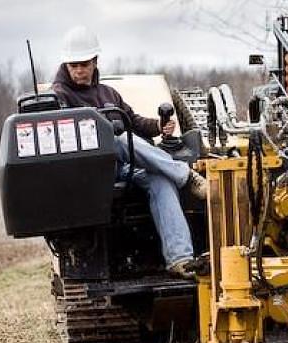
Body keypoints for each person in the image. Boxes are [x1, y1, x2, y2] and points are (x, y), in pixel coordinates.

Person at [51, 25, 206, 278]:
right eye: (73, 65)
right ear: (66, 66)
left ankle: (180, 259)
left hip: (123, 168)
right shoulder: (59, 97)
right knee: (118, 138)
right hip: (90, 172)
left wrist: (159, 126)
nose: (79, 70)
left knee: (161, 180)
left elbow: (133, 120)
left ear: (95, 62)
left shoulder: (108, 93)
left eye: (84, 64)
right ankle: (187, 176)